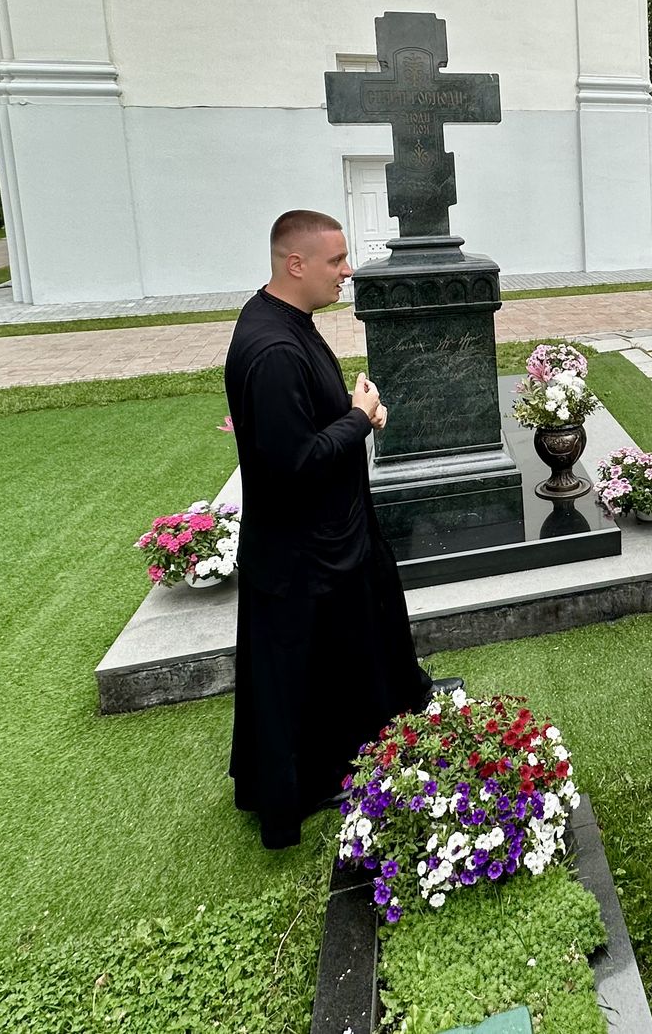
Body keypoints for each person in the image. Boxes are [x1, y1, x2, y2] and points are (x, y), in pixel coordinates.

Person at [224, 210, 432, 850]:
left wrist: (348, 409)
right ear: (296, 264)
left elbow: (301, 426)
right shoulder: (273, 350)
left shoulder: (289, 322)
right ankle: (311, 783)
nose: (348, 271)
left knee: (359, 639)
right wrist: (358, 420)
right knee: (304, 669)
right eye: (336, 261)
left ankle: (377, 735)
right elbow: (293, 465)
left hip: (329, 533)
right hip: (302, 549)